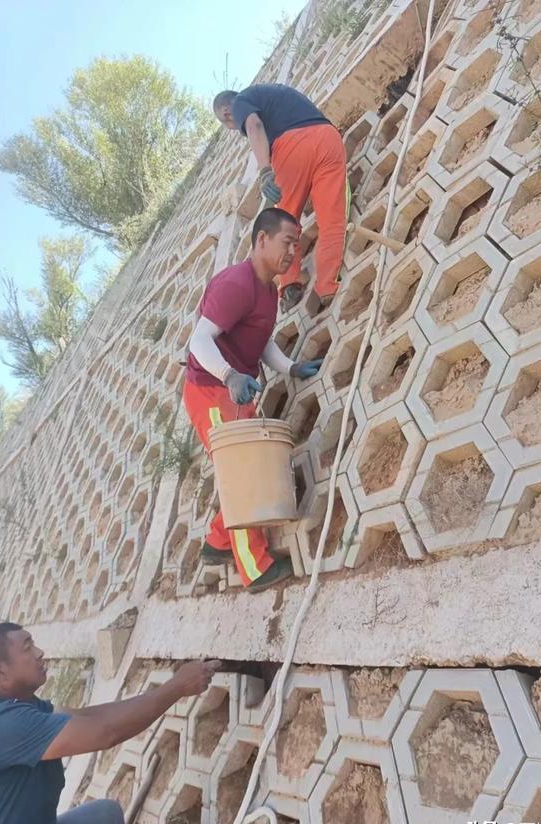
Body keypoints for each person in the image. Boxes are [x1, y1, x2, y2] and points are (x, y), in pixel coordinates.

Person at [0, 622, 220, 824]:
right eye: (27, 648)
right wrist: (177, 688)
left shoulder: (12, 705)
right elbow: (105, 733)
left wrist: (172, 686)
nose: (39, 653)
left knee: (103, 820)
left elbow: (87, 718)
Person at [184, 207, 323, 592]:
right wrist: (229, 376)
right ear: (262, 239)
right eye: (287, 242)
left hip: (235, 388)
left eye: (297, 244)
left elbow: (260, 342)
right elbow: (199, 340)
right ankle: (255, 568)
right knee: (242, 474)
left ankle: (216, 543)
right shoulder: (236, 284)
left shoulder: (267, 289)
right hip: (211, 392)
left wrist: (291, 368)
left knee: (246, 470)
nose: (293, 252)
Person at [213, 84, 349, 312]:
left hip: (293, 145)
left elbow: (254, 125)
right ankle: (327, 287)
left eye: (228, 124)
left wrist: (266, 171)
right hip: (328, 137)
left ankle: (289, 285)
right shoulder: (273, 92)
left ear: (226, 113)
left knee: (285, 222)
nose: (233, 127)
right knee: (332, 219)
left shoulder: (239, 102)